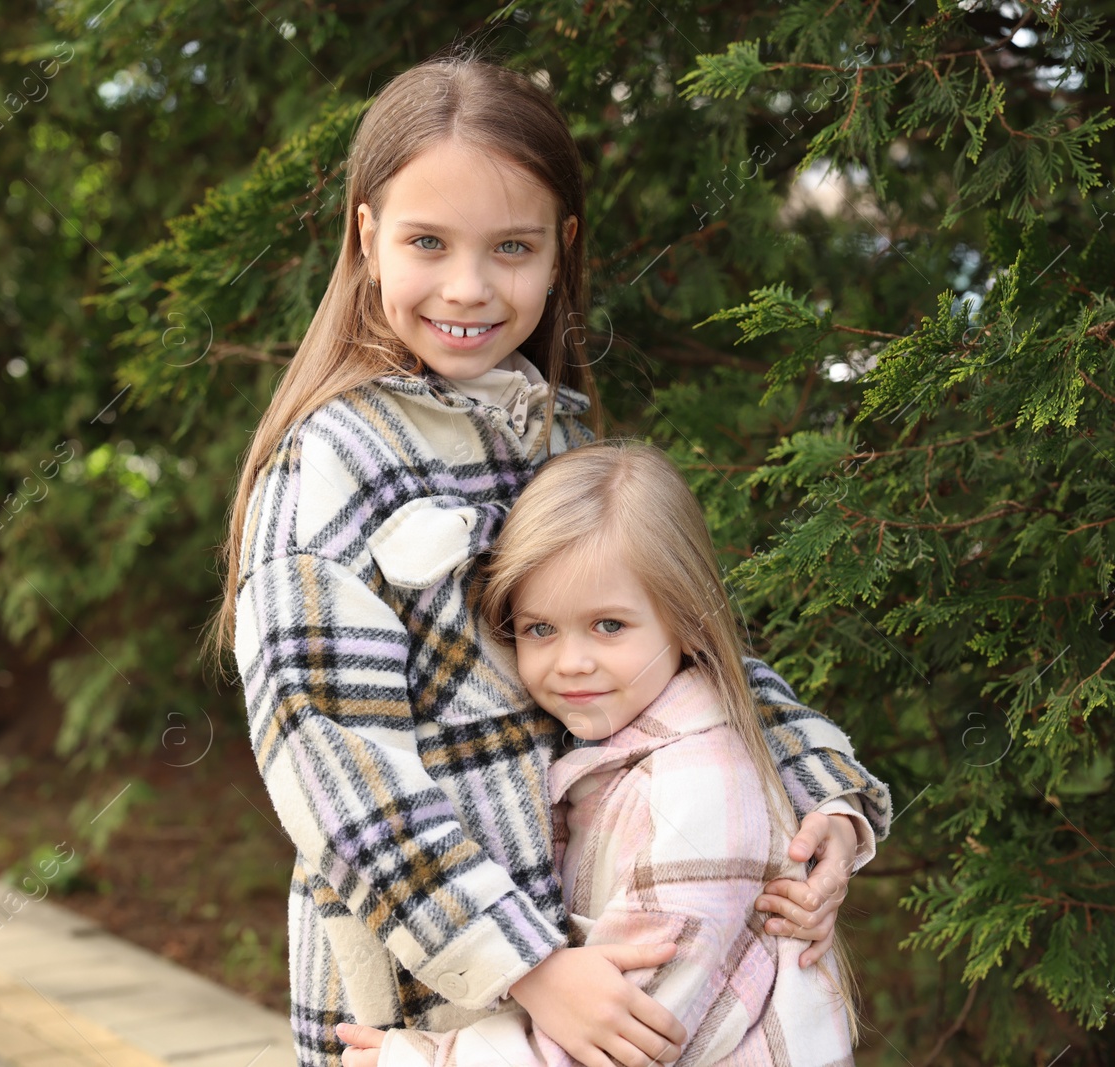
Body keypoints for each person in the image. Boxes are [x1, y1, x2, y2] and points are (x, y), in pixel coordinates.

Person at [215, 46, 892, 1067]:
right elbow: (334, 762)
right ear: (366, 237)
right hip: (431, 998)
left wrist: (827, 805)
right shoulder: (330, 466)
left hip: (604, 949)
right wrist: (527, 965)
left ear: (561, 247)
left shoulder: (563, 446)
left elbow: (698, 655)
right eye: (428, 242)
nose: (468, 287)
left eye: (513, 249)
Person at [334, 440, 860, 1067]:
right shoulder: (603, 753)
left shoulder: (692, 793)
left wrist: (423, 1059)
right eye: (539, 629)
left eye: (609, 625)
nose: (572, 663)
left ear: (687, 621)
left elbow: (633, 1032)